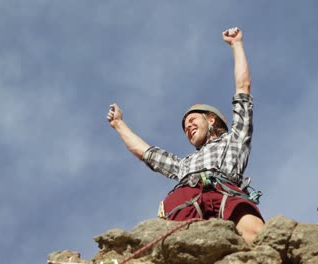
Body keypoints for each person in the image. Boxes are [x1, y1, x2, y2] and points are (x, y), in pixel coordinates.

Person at [106, 27, 265, 245]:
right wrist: (118, 124)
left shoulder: (235, 140)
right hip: (187, 196)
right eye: (184, 127)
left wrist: (236, 45)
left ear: (211, 120)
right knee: (179, 248)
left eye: (192, 120)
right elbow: (146, 153)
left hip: (225, 190)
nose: (188, 126)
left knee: (259, 237)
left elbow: (243, 88)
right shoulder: (184, 164)